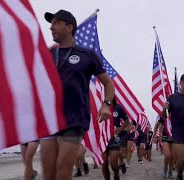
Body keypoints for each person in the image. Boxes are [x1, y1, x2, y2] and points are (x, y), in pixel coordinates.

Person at [42, 9, 115, 180]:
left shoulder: (87, 55)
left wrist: (106, 104)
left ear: (69, 27)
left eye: (56, 23)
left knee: (62, 171)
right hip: (49, 119)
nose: (51, 28)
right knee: (48, 174)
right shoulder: (48, 54)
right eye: (51, 24)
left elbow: (108, 83)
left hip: (74, 119)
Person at [102, 97, 130, 180]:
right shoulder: (100, 106)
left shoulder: (118, 107)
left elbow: (127, 120)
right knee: (104, 163)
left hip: (114, 138)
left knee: (113, 163)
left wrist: (120, 128)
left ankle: (116, 174)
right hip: (102, 138)